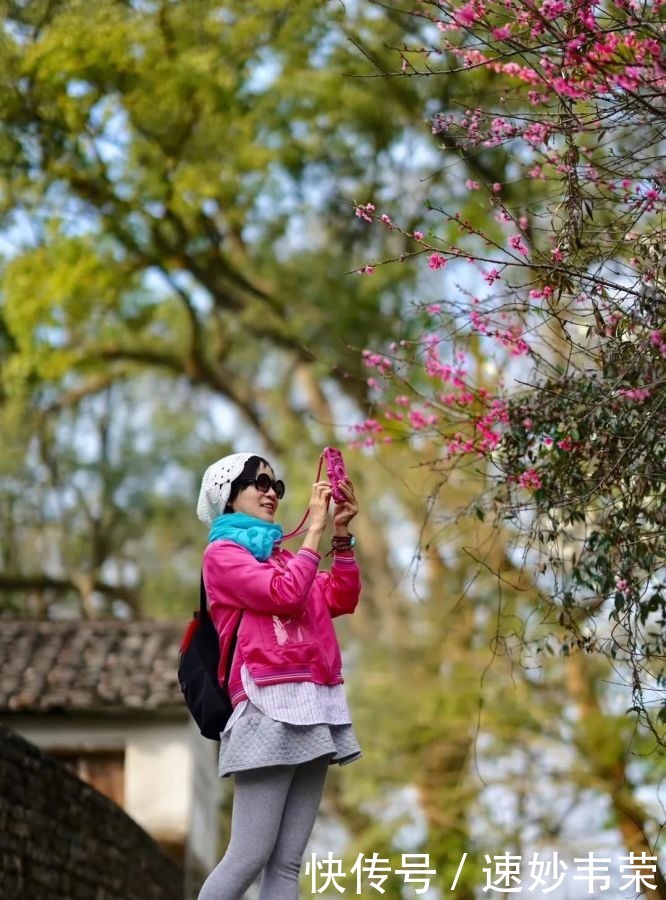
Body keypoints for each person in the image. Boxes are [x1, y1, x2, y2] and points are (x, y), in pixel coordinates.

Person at [195, 452, 362, 900]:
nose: (271, 492)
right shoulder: (222, 556)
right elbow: (283, 595)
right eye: (258, 482)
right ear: (227, 497)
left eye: (276, 485)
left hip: (315, 703)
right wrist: (314, 532)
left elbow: (340, 597)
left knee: (287, 865)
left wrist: (340, 535)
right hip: (266, 706)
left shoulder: (288, 559)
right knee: (247, 856)